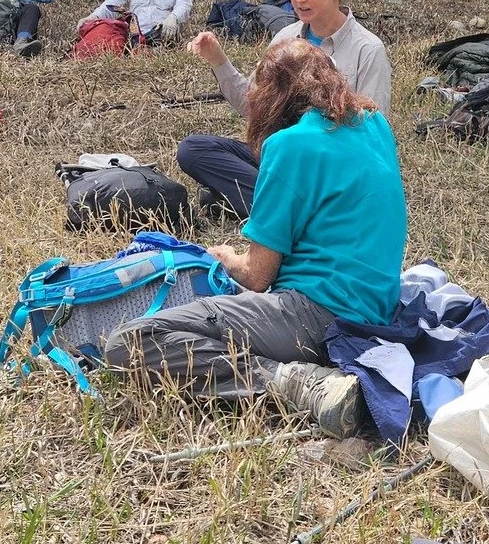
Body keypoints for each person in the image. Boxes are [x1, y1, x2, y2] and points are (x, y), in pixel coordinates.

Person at [106, 41, 407, 439]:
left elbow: (257, 276)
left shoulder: (290, 145)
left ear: (272, 96)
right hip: (378, 309)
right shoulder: (373, 123)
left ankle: (290, 381)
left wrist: (226, 257)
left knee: (127, 342)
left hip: (317, 315)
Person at [176, 0, 392, 218]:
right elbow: (252, 105)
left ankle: (272, 208)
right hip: (279, 157)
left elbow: (373, 133)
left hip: (329, 169)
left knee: (289, 169)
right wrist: (218, 60)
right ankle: (286, 210)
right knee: (194, 149)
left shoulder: (367, 49)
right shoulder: (286, 38)